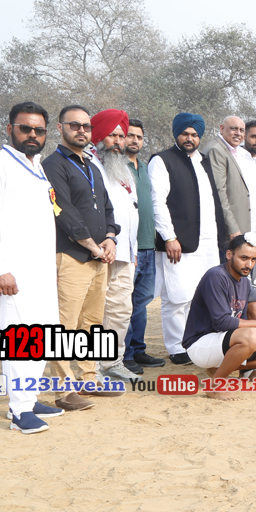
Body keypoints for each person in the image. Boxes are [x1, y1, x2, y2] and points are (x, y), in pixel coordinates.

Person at [0, 101, 64, 433]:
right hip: (14, 271)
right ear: (10, 128)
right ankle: (19, 410)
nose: (32, 135)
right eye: (25, 128)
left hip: (42, 270)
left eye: (39, 130)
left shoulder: (36, 166)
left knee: (42, 334)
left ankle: (29, 397)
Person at [41, 104, 123, 410]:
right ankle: (63, 391)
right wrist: (92, 245)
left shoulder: (91, 165)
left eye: (86, 127)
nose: (81, 131)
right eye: (74, 125)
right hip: (72, 255)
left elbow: (108, 208)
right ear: (60, 128)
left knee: (92, 324)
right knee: (64, 326)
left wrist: (110, 238)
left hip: (98, 258)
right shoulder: (53, 165)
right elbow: (63, 211)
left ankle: (90, 379)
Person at [149, 112, 228, 365]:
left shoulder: (205, 162)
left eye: (194, 134)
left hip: (208, 242)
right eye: (185, 133)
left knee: (202, 294)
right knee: (177, 296)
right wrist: (169, 237)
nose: (189, 138)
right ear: (176, 134)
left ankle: (197, 341)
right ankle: (176, 347)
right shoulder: (162, 160)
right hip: (178, 242)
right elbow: (157, 202)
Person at [182, 234, 256, 400]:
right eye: (243, 258)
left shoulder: (244, 282)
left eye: (253, 260)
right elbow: (221, 322)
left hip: (222, 342)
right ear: (229, 254)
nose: (249, 265)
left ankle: (217, 370)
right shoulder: (216, 276)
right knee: (254, 334)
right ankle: (216, 385)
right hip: (200, 344)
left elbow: (241, 318)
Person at [89, 109, 140, 383]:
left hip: (125, 252)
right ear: (98, 136)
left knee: (120, 310)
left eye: (121, 136)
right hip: (99, 251)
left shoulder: (122, 170)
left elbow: (131, 210)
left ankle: (113, 362)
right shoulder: (89, 165)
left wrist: (133, 251)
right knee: (96, 310)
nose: (118, 141)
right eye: (112, 135)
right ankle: (92, 367)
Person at [122, 118, 165, 373]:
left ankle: (138, 350)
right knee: (125, 303)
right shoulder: (116, 167)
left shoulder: (146, 168)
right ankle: (124, 354)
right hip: (129, 247)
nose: (134, 140)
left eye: (139, 136)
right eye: (130, 135)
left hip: (149, 245)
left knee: (142, 301)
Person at [201, 116, 250, 246]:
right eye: (234, 129)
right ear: (222, 129)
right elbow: (219, 192)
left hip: (240, 226)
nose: (238, 133)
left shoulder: (233, 150)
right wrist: (232, 229)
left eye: (241, 130)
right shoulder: (216, 149)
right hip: (229, 231)